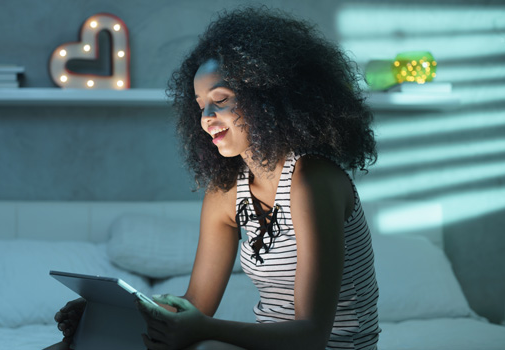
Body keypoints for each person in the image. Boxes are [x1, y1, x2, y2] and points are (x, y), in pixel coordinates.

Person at [55, 6, 380, 350]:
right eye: (199, 105)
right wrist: (107, 315)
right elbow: (194, 303)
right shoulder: (226, 192)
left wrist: (204, 331)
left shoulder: (312, 179)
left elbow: (311, 335)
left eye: (220, 100)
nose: (207, 117)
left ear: (267, 98)